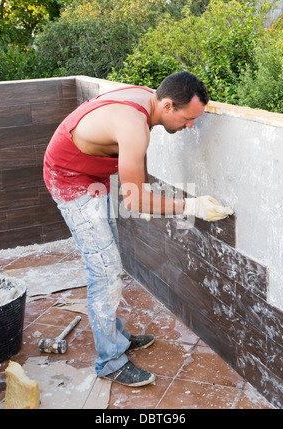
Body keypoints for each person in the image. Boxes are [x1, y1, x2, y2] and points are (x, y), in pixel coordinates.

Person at [43, 72, 233, 387]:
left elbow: (135, 169)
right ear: (169, 105)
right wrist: (192, 206)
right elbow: (134, 199)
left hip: (90, 173)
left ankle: (115, 337)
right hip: (69, 179)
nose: (190, 127)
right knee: (105, 272)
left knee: (108, 264)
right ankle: (110, 361)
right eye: (188, 119)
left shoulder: (148, 101)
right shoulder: (134, 126)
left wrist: (142, 193)